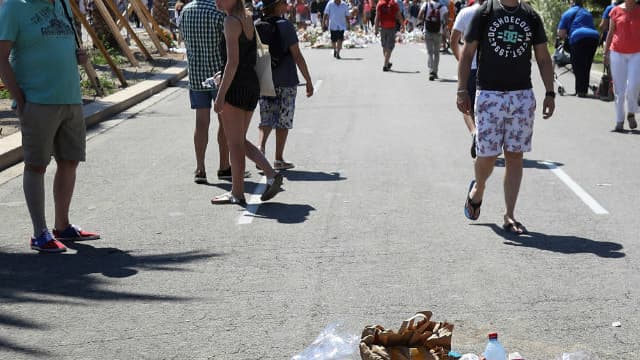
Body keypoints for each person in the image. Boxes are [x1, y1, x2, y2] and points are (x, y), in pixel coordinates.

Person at [0, 0, 100, 252]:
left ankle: (62, 226)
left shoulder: (63, 4)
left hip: (70, 97)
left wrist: (80, 58)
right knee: (36, 165)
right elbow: (1, 58)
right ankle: (39, 233)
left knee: (69, 161)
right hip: (37, 100)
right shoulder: (14, 6)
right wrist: (20, 101)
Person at [456, 0, 555, 234]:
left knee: (514, 155)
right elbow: (468, 52)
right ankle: (478, 189)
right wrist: (461, 89)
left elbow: (542, 56)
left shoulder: (531, 15)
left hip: (521, 95)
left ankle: (509, 215)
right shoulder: (485, 12)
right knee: (487, 154)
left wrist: (550, 92)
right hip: (489, 93)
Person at [212, 0, 283, 205]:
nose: (217, 1)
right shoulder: (247, 17)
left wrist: (220, 94)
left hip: (235, 87)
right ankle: (270, 175)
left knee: (234, 143)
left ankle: (238, 192)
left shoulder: (231, 21)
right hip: (251, 84)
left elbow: (233, 62)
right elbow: (242, 58)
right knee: (239, 140)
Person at [180, 0, 244, 184]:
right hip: (219, 76)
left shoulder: (185, 10)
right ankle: (224, 166)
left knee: (201, 122)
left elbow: (183, 38)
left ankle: (200, 168)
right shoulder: (218, 11)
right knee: (224, 123)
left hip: (196, 74)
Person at [256, 0, 314, 170]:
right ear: (277, 6)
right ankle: (278, 159)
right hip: (286, 79)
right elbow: (297, 55)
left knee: (266, 117)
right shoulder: (285, 25)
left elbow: (256, 55)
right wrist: (308, 80)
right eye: (283, 2)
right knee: (283, 120)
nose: (287, 5)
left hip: (265, 79)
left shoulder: (257, 25)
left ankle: (259, 150)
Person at [450, 0, 483, 158]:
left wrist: (461, 61)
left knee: (465, 103)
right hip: (491, 68)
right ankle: (486, 137)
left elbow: (453, 40)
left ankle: (474, 131)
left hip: (470, 66)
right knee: (486, 103)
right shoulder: (498, 12)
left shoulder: (466, 12)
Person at [603, 0, 640, 132]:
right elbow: (611, 32)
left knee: (634, 85)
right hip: (617, 52)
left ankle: (631, 112)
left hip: (636, 53)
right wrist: (605, 53)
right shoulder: (615, 10)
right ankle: (619, 121)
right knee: (619, 89)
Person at [557, 0, 600, 98]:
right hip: (593, 38)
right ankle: (583, 89)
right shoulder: (587, 12)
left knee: (577, 64)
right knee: (586, 64)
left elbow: (561, 33)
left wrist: (565, 37)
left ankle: (580, 90)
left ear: (572, 3)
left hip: (578, 37)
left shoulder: (568, 13)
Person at [418, 0, 447, 80]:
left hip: (428, 30)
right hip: (438, 31)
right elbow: (446, 20)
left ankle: (431, 70)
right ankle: (435, 71)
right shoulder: (443, 7)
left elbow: (419, 16)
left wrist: (424, 20)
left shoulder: (426, 4)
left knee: (430, 52)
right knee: (437, 53)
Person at [374, 0, 402, 71]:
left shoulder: (380, 3)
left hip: (383, 28)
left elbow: (377, 17)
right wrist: (403, 24)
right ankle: (385, 65)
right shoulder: (394, 3)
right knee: (389, 47)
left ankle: (387, 62)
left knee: (385, 46)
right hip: (392, 27)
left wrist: (376, 29)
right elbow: (398, 15)